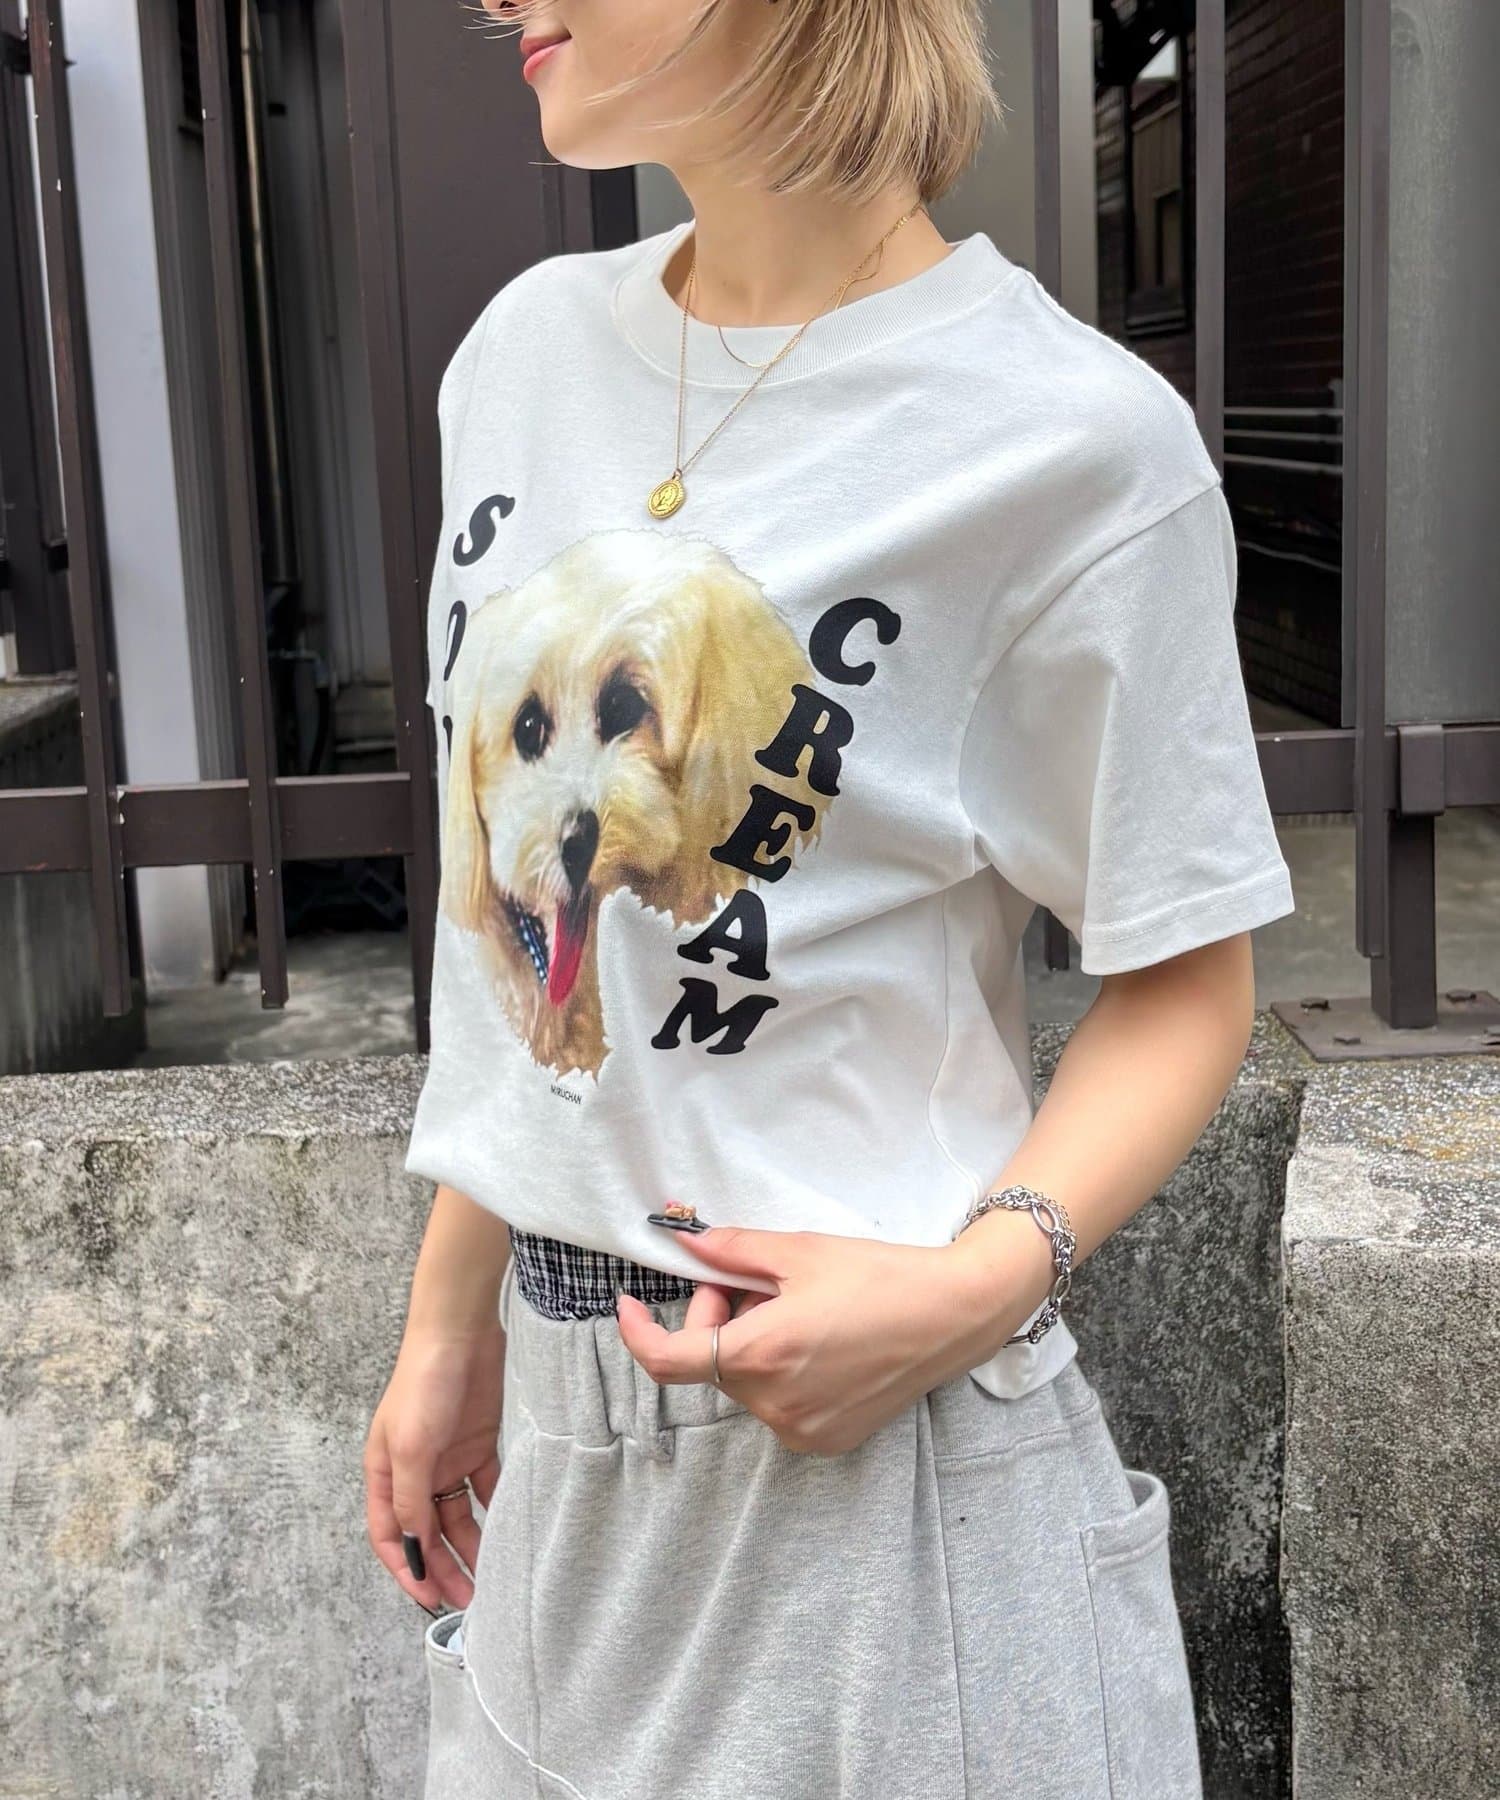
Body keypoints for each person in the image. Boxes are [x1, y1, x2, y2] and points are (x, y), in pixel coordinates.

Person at [364, 1, 1297, 1794]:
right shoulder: (522, 357)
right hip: (558, 1466)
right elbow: (542, 949)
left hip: (881, 1480)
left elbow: (1189, 979)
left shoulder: (1072, 445)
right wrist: (452, 1316)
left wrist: (975, 1288)